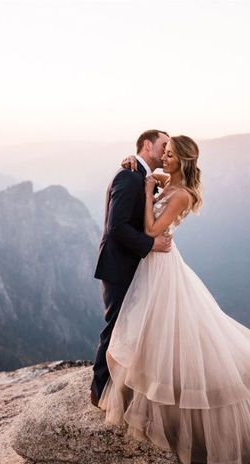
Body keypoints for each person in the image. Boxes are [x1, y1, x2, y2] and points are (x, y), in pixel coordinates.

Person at [99, 134, 250, 464]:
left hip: (160, 264)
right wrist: (130, 161)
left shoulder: (181, 195)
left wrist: (147, 193)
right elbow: (143, 169)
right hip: (152, 262)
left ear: (184, 161)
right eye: (166, 151)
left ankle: (169, 411)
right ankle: (131, 388)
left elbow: (150, 229)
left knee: (162, 331)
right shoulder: (167, 180)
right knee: (148, 331)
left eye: (173, 155)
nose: (166, 157)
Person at [90, 128, 173, 406]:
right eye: (163, 145)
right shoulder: (128, 176)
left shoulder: (142, 175)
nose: (166, 150)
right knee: (115, 326)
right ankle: (100, 390)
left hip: (136, 265)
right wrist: (152, 245)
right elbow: (116, 228)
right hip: (119, 266)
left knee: (133, 326)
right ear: (148, 145)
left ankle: (123, 385)